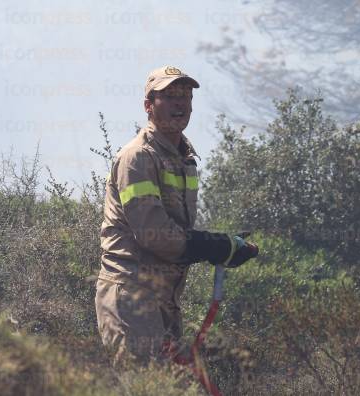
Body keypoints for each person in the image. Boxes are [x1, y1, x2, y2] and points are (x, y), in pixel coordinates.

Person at [95, 65, 258, 366]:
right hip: (131, 295)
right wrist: (215, 246)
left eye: (185, 96)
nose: (180, 103)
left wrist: (222, 245)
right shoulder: (137, 158)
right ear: (148, 106)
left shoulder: (185, 159)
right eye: (169, 96)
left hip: (164, 300)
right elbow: (154, 234)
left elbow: (178, 231)